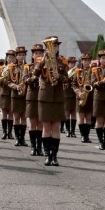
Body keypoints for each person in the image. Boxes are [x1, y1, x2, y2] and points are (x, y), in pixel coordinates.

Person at [33, 37, 68, 166]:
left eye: (56, 46)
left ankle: (55, 155)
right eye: (50, 46)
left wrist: (61, 77)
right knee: (46, 127)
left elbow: (67, 80)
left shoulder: (62, 62)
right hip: (45, 97)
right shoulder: (41, 62)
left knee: (56, 128)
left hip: (58, 97)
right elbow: (35, 74)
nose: (53, 49)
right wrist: (42, 61)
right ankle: (47, 155)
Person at [73, 53, 94, 143]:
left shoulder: (93, 71)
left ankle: (87, 135)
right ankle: (82, 135)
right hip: (81, 96)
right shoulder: (78, 72)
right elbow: (74, 84)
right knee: (81, 117)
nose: (87, 62)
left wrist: (91, 82)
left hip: (90, 95)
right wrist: (78, 92)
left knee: (88, 117)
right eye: (85, 60)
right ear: (82, 61)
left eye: (88, 60)